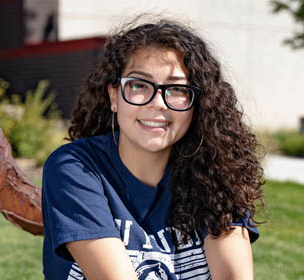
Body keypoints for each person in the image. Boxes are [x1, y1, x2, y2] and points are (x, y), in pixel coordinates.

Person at [42, 17, 264, 280]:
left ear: (197, 103)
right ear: (114, 96)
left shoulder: (215, 172)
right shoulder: (76, 168)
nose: (158, 103)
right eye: (139, 85)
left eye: (177, 89)